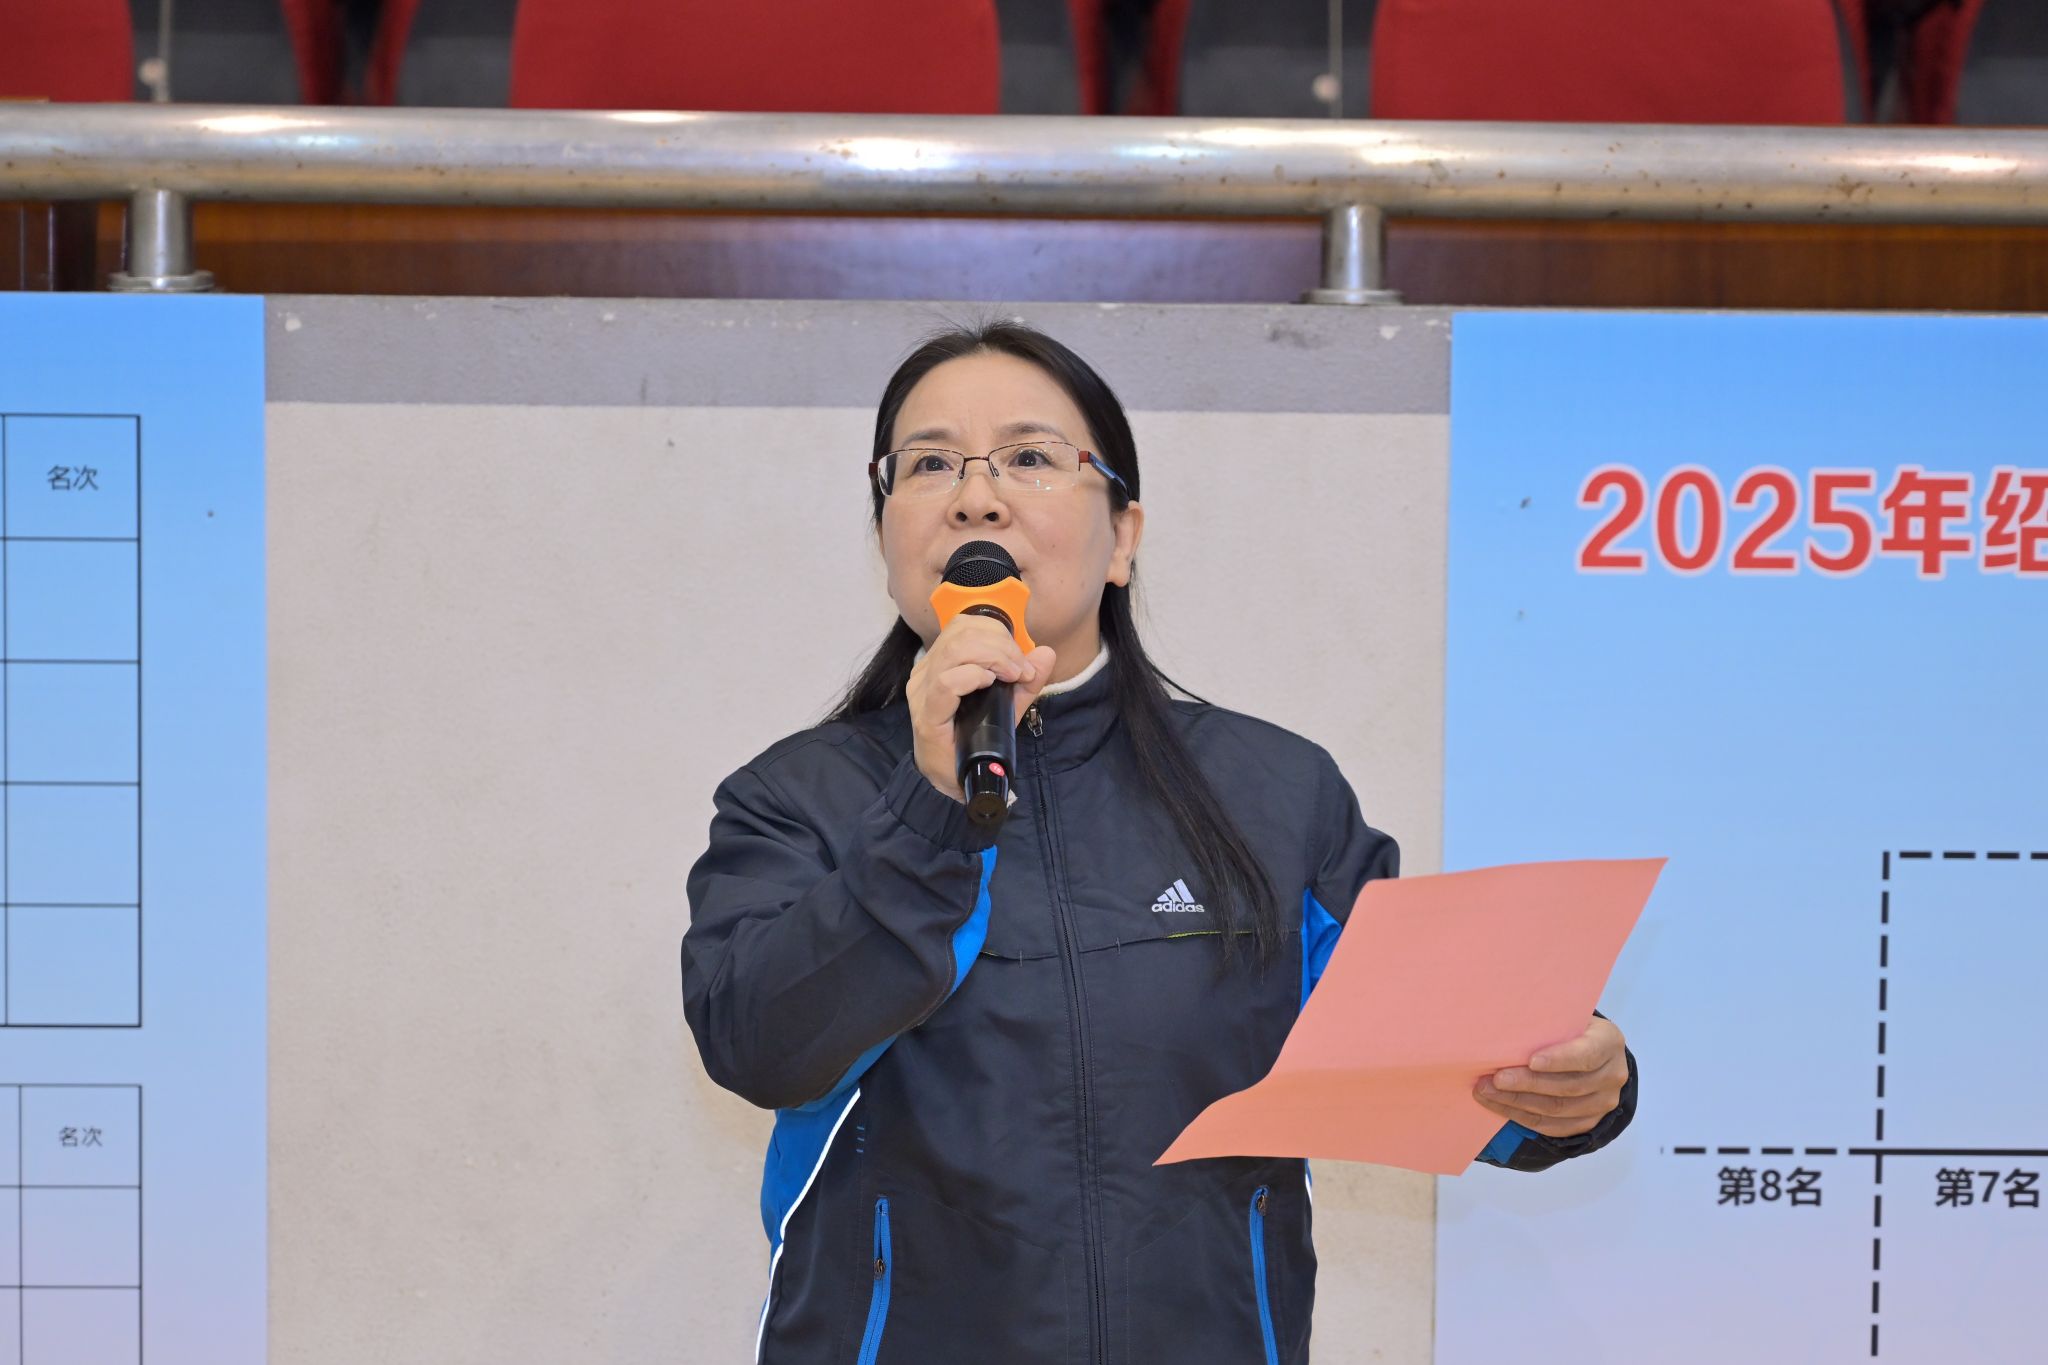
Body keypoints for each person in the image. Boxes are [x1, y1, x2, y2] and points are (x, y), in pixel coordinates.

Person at [681, 320, 1638, 1364]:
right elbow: (762, 1047)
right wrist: (926, 806)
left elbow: (1426, 1044)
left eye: (1029, 457)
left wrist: (1571, 1081)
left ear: (1123, 536)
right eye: (929, 465)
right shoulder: (796, 799)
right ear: (885, 538)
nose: (975, 497)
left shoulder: (1273, 794)